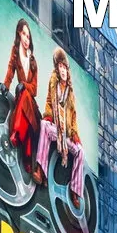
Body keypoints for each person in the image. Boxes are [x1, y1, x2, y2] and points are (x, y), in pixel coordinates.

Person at [33, 48, 84, 209]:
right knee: (44, 125)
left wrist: (75, 134)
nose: (62, 70)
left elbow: (73, 116)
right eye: (60, 67)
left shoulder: (71, 94)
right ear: (57, 69)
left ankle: (75, 191)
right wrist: (48, 115)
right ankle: (40, 170)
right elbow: (49, 101)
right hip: (56, 128)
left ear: (67, 71)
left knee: (80, 152)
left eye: (64, 67)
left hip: (66, 134)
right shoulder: (54, 83)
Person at [1, 19, 40, 174]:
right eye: (24, 34)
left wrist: (24, 84)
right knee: (23, 97)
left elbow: (34, 90)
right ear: (19, 34)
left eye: (28, 36)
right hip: (21, 98)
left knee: (26, 96)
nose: (26, 39)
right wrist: (6, 85)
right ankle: (26, 155)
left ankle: (17, 134)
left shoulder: (33, 61)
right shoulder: (15, 51)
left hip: (30, 102)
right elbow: (11, 68)